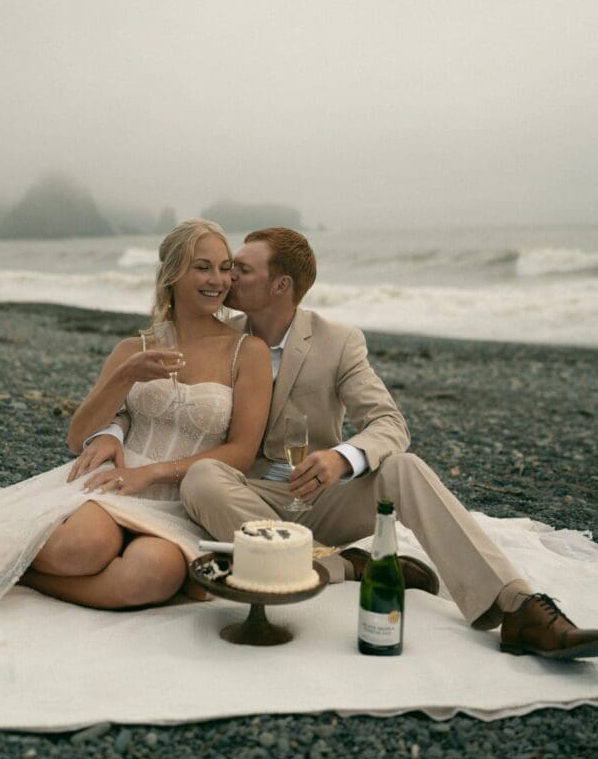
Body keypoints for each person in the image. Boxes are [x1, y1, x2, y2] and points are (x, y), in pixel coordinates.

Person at [174, 227, 598, 660]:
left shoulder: (337, 342)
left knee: (404, 467)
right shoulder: (220, 336)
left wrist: (342, 459)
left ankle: (517, 607)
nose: (227, 279)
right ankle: (341, 565)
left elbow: (389, 422)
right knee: (202, 478)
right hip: (246, 500)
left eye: (240, 270)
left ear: (281, 285)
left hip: (322, 499)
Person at [0, 219, 272, 611]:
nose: (218, 279)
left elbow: (242, 452)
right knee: (83, 548)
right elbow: (78, 437)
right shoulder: (132, 349)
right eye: (203, 266)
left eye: (225, 267)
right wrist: (126, 376)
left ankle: (21, 575)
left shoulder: (248, 352)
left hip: (185, 498)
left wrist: (150, 473)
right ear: (173, 273)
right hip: (112, 484)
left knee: (155, 574)